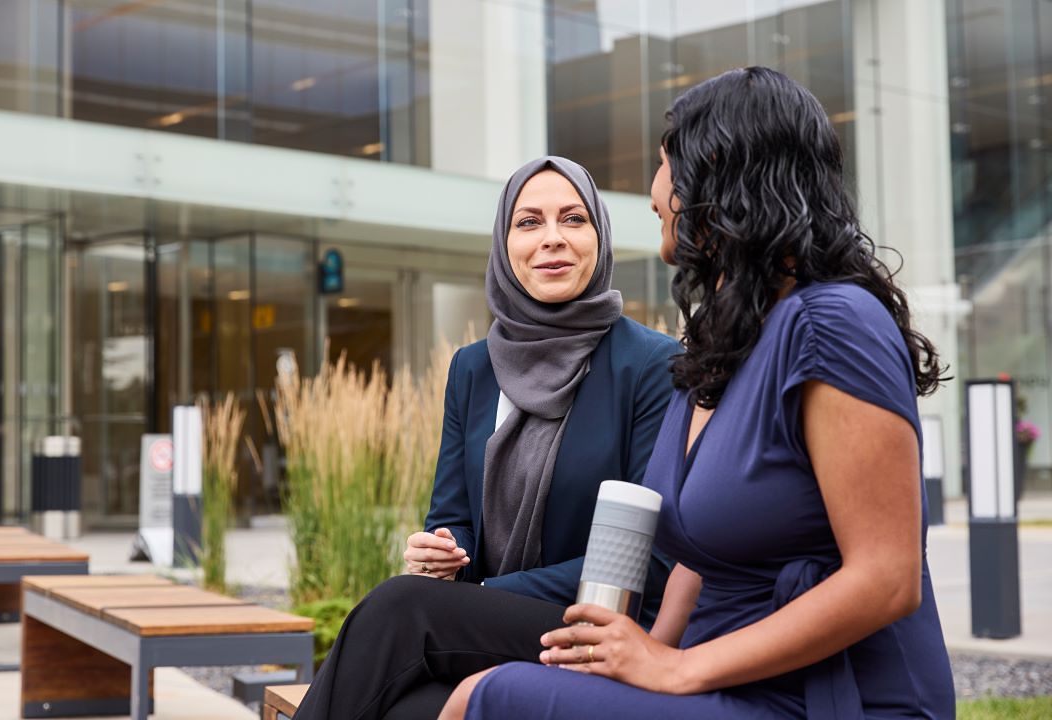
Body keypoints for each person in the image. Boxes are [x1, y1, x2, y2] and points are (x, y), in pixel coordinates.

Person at [441, 67, 956, 720]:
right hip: (722, 679)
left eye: (662, 165)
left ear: (714, 176)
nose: (653, 192)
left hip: (831, 698)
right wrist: (637, 658)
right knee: (458, 684)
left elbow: (887, 578)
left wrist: (678, 667)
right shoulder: (724, 344)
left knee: (482, 699)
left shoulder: (831, 323)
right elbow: (699, 555)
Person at [292, 156, 681, 720]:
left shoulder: (649, 364)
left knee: (401, 607)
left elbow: (646, 560)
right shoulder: (474, 368)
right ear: (504, 243)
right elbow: (452, 523)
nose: (552, 239)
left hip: (597, 624)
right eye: (529, 223)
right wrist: (440, 561)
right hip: (477, 622)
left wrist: (475, 596)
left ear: (600, 236)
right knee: (405, 708)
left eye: (573, 219)